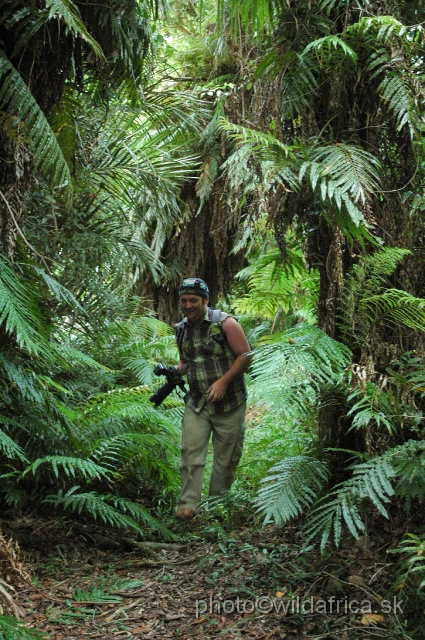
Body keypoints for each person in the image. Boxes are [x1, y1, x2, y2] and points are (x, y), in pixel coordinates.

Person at [174, 277, 252, 519]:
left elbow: (246, 355)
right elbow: (186, 361)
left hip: (230, 402)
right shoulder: (181, 329)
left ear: (205, 300)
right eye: (184, 300)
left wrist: (223, 382)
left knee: (225, 459)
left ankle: (217, 508)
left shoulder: (226, 324)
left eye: (193, 300)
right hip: (197, 403)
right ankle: (187, 506)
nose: (188, 305)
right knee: (190, 453)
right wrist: (176, 371)